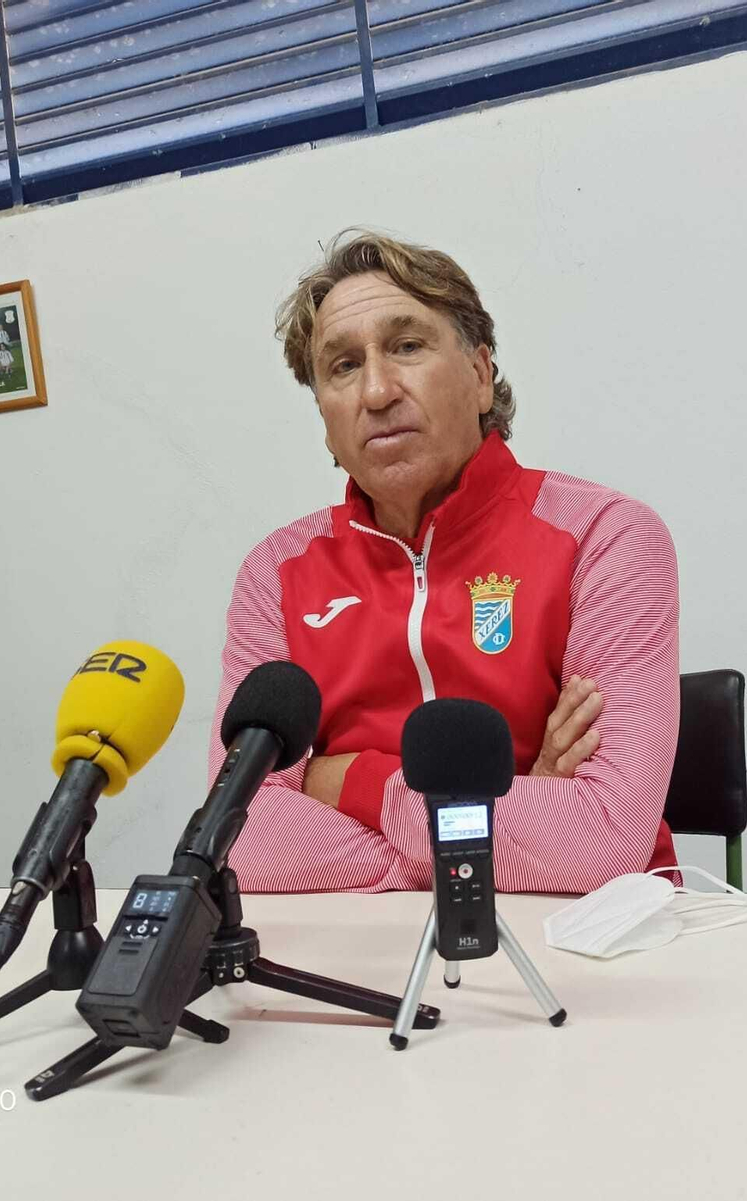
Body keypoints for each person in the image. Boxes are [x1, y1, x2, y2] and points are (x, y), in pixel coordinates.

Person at [212, 230, 680, 894]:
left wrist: (345, 778)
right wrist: (516, 820)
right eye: (343, 366)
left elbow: (601, 838)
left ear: (482, 375)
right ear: (324, 416)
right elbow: (240, 837)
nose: (376, 390)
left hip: (582, 938)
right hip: (360, 949)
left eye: (406, 346)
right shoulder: (274, 573)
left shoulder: (605, 537)